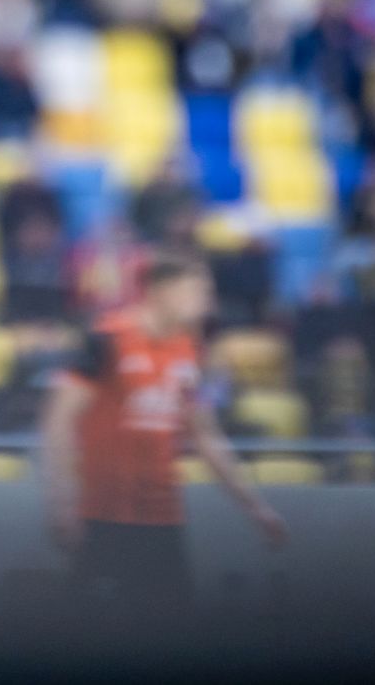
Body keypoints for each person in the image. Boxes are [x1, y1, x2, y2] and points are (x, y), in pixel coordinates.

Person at [40, 252, 289, 608]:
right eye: (197, 292)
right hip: (100, 515)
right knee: (87, 627)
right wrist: (63, 501)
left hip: (162, 518)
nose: (207, 304)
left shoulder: (190, 350)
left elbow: (205, 436)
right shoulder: (107, 339)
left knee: (172, 626)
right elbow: (59, 419)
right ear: (160, 290)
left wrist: (256, 508)